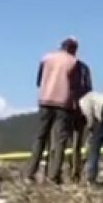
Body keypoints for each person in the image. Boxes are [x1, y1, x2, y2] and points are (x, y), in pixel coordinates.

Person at [26, 38, 83, 184]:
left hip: (45, 100)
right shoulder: (74, 62)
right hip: (63, 104)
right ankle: (53, 176)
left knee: (40, 137)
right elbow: (76, 86)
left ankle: (30, 173)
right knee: (59, 140)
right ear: (73, 49)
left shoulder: (46, 58)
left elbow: (38, 81)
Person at [65, 58, 93, 183]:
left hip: (68, 109)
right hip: (79, 108)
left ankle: (74, 172)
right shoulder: (84, 69)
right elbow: (89, 89)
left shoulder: (68, 67)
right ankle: (75, 171)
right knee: (76, 143)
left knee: (67, 142)